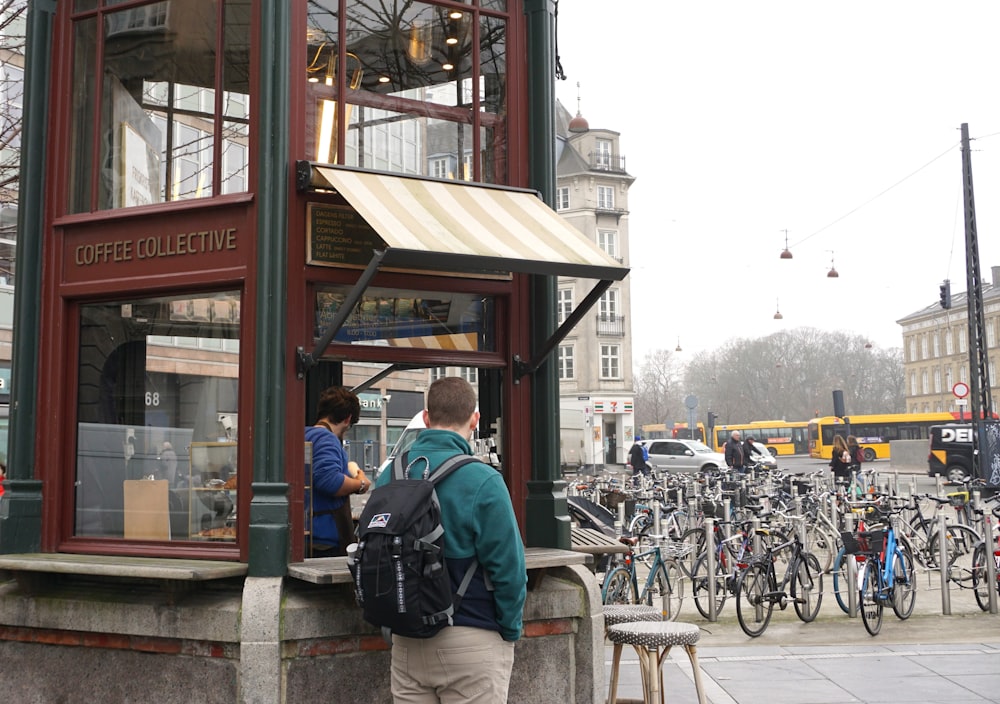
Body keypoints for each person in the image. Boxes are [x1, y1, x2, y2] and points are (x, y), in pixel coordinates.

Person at [376, 377, 526, 704]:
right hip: (473, 637)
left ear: (426, 418)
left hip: (406, 641)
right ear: (474, 419)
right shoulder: (484, 480)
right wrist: (509, 631)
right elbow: (510, 571)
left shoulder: (390, 475)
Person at [305, 386, 370, 557]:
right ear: (348, 419)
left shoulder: (304, 435)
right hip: (324, 541)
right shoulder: (327, 439)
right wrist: (361, 483)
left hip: (306, 534)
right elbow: (329, 481)